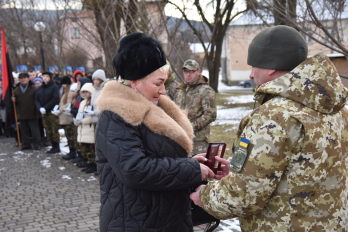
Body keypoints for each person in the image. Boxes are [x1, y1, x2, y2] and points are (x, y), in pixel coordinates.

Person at [190, 25, 348, 231]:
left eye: (253, 65)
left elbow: (243, 196)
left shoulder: (272, 117)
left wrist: (203, 195)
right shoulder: (338, 111)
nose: (250, 74)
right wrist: (244, 171)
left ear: (271, 67)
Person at [95, 32, 216, 232]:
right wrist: (190, 170)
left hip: (165, 219)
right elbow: (134, 169)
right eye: (158, 84)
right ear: (134, 82)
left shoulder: (154, 107)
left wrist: (191, 162)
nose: (163, 91)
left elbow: (158, 155)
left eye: (164, 84)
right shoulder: (116, 116)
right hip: (137, 223)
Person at [174, 59, 217, 156]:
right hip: (180, 138)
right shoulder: (180, 90)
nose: (188, 74)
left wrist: (190, 127)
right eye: (185, 71)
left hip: (198, 140)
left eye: (191, 71)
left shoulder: (206, 91)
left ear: (198, 72)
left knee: (198, 168)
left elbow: (211, 114)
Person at [12, 73, 41, 150]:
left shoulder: (34, 88)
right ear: (19, 79)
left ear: (28, 79)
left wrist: (38, 112)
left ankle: (37, 144)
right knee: (24, 130)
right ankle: (26, 144)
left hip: (32, 112)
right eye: (21, 78)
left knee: (34, 130)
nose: (23, 79)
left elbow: (38, 100)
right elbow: (16, 102)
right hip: (21, 113)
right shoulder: (16, 90)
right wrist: (14, 100)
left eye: (25, 78)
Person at [51, 76, 77, 160]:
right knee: (68, 135)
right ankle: (71, 151)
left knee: (71, 136)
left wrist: (60, 109)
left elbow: (69, 103)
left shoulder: (69, 91)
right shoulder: (64, 91)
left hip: (67, 116)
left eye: (64, 84)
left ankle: (73, 151)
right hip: (64, 115)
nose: (63, 85)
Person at [35, 71, 60, 153]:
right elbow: (36, 99)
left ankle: (56, 146)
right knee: (47, 129)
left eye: (46, 76)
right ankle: (52, 145)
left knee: (54, 129)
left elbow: (55, 98)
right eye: (43, 76)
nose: (45, 78)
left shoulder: (54, 87)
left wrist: (46, 107)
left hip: (52, 112)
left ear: (50, 77)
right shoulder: (40, 88)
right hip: (43, 112)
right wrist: (40, 108)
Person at [74, 83, 96, 173]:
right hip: (82, 128)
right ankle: (88, 164)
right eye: (84, 92)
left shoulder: (94, 102)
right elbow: (80, 114)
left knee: (91, 149)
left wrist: (82, 121)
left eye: (87, 91)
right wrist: (77, 120)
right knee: (85, 149)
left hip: (89, 128)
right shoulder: (83, 102)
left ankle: (93, 165)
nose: (86, 93)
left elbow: (92, 118)